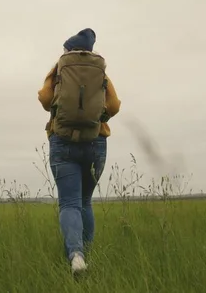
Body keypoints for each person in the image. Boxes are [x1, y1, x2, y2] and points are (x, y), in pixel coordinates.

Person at [37, 28, 121, 274]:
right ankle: (88, 252)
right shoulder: (100, 72)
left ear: (67, 50)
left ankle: (76, 256)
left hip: (62, 141)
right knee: (85, 201)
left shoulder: (59, 69)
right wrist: (99, 116)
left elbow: (44, 98)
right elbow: (114, 105)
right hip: (96, 141)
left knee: (69, 203)